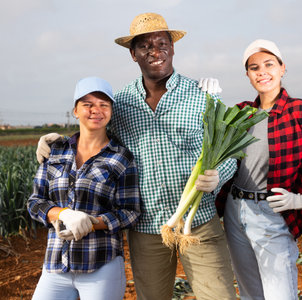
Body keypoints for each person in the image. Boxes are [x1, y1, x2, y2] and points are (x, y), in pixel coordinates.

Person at [36, 13, 237, 300]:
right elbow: (93, 132)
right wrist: (58, 141)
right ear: (133, 54)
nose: (155, 52)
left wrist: (221, 174)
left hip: (199, 222)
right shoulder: (122, 102)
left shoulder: (202, 94)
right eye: (145, 46)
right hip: (147, 228)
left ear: (172, 47)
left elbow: (229, 146)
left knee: (220, 297)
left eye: (162, 43)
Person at [215, 39, 302, 300]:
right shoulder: (243, 113)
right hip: (235, 211)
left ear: (282, 68)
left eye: (269, 64)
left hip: (272, 213)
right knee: (249, 293)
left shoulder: (301, 111)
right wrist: (204, 98)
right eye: (254, 67)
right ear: (247, 75)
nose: (262, 72)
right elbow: (213, 142)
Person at [28, 77, 141, 300]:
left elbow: (130, 212)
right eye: (88, 104)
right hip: (55, 264)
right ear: (75, 111)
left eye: (103, 105)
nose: (96, 110)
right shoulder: (55, 151)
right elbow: (35, 202)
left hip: (101, 264)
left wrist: (92, 223)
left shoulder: (121, 157)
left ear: (111, 111)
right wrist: (63, 214)